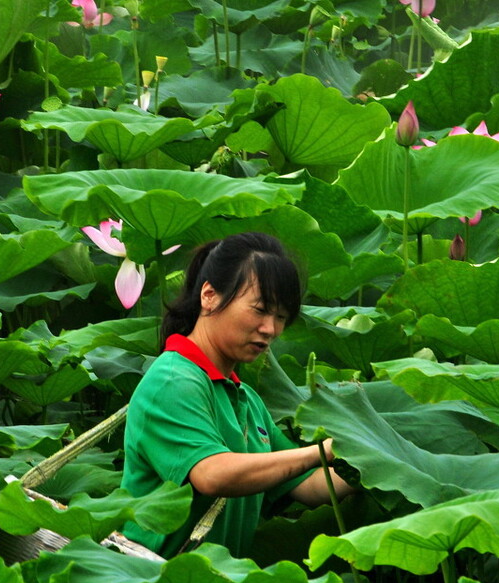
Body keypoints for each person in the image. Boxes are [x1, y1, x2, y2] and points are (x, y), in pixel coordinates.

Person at [120, 232, 353, 558]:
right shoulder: (173, 380)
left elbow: (312, 486)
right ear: (210, 296)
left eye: (281, 318)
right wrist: (323, 450)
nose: (270, 329)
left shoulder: (247, 401)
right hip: (147, 582)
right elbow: (212, 474)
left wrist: (375, 455)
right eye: (260, 310)